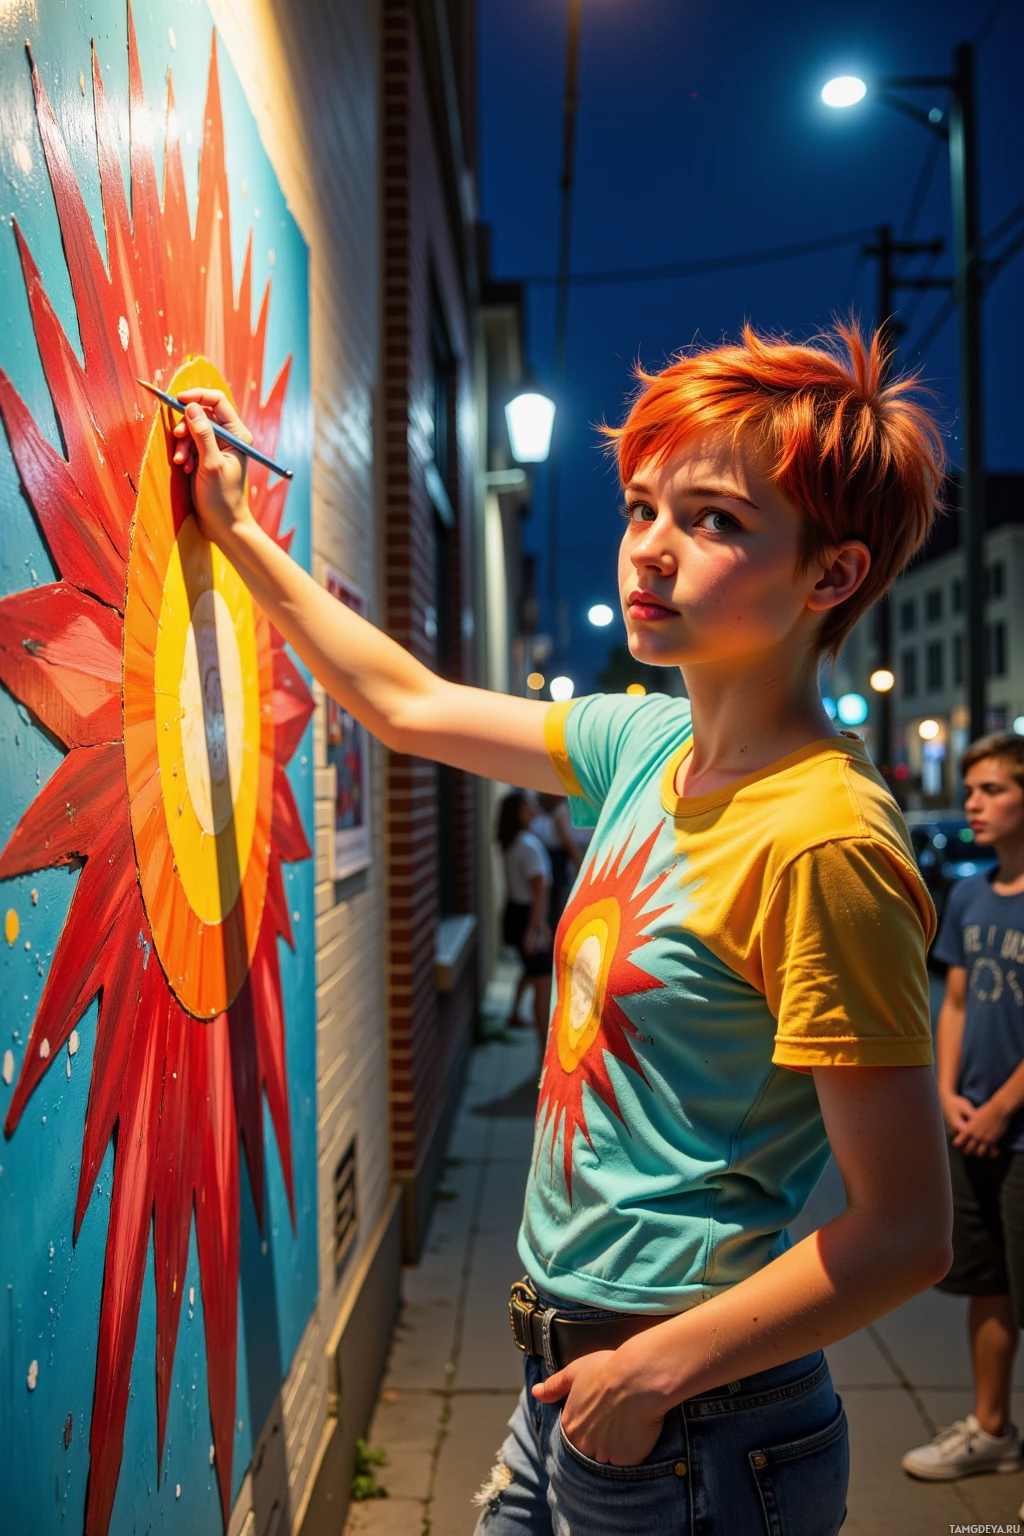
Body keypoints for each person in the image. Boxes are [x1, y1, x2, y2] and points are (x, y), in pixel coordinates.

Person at [173, 321, 952, 1536]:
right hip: (574, 1382)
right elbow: (406, 703)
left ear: (831, 576)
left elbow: (905, 1232)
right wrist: (237, 534)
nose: (651, 549)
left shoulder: (821, 842)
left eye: (716, 521)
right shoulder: (648, 744)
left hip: (694, 1422)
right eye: (645, 507)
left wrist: (651, 1376)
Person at [902, 735, 1024, 1486]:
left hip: (1014, 1131)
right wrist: (947, 1093)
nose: (972, 803)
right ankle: (992, 1428)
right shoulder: (972, 894)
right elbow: (951, 999)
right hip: (971, 1124)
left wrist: (1004, 1107)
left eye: (991, 790)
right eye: (970, 789)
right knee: (988, 1282)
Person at [498, 789, 554, 1037]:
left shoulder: (512, 841)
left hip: (518, 913)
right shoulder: (527, 844)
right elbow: (539, 887)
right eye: (527, 805)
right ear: (517, 812)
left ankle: (515, 1014)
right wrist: (537, 926)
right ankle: (543, 1049)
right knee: (543, 983)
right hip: (529, 915)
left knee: (532, 972)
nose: (534, 809)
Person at [531, 792, 582, 928]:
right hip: (556, 860)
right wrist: (578, 862)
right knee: (557, 900)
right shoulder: (559, 810)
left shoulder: (546, 811)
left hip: (552, 858)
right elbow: (566, 839)